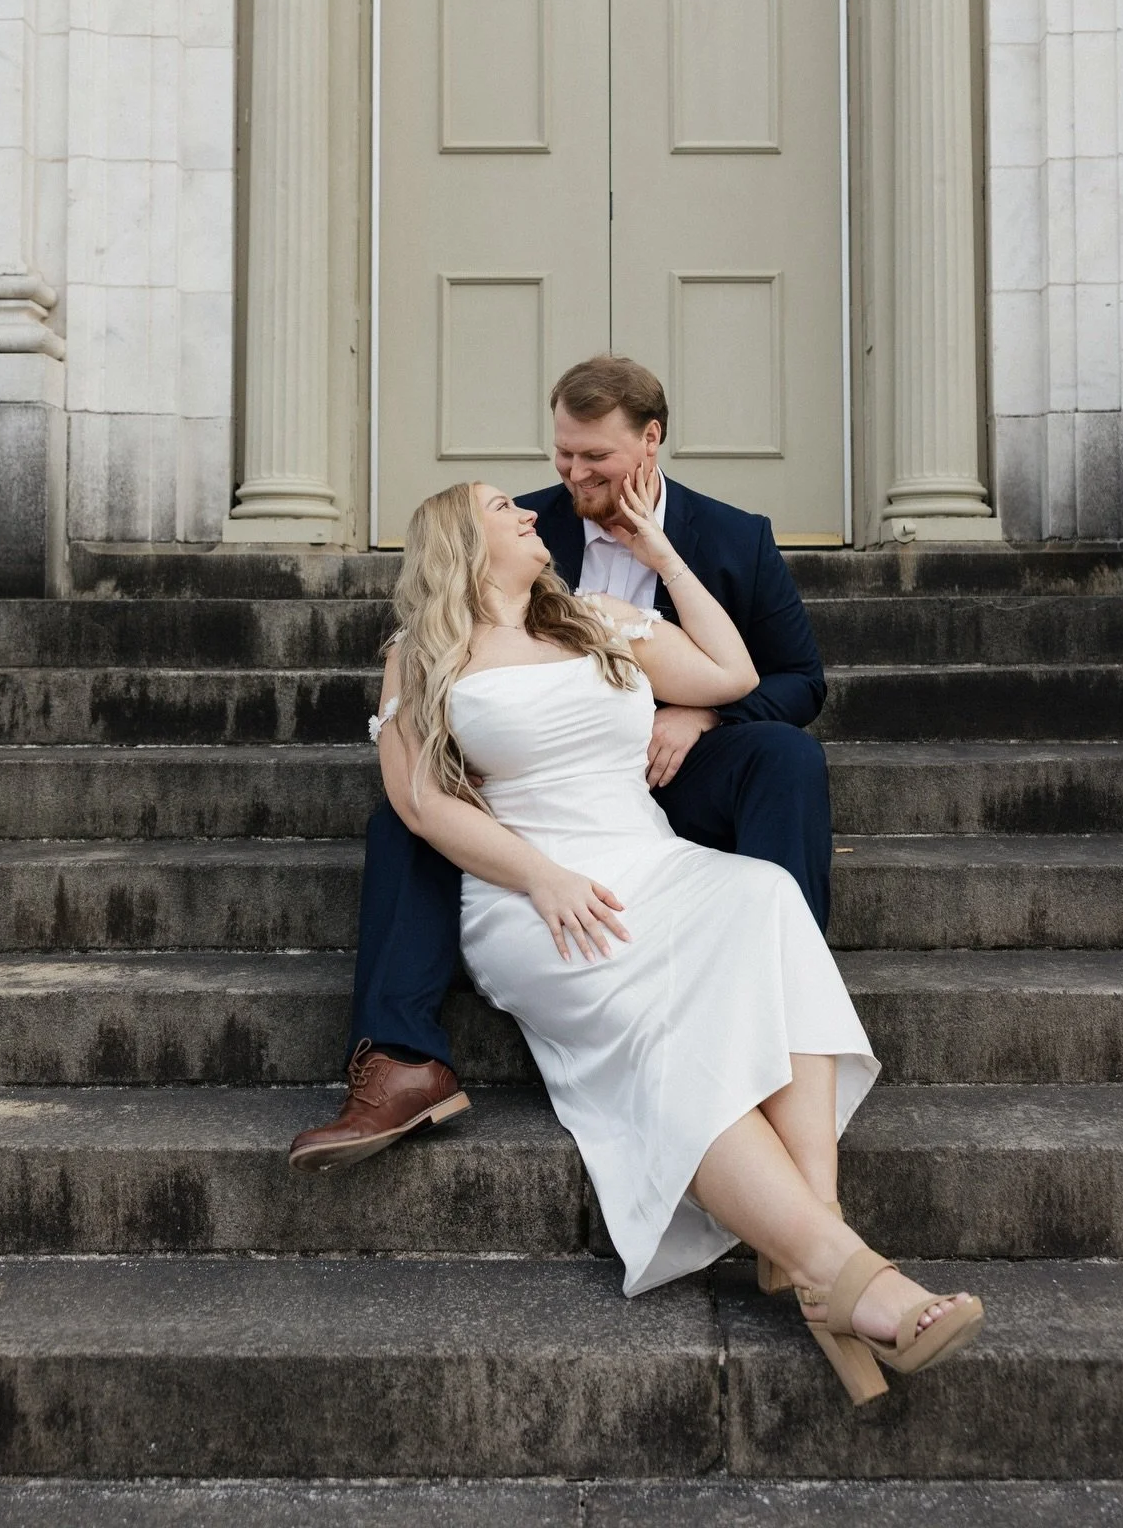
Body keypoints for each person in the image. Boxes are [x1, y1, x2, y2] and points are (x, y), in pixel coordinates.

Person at [339, 470, 984, 1404]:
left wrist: (664, 557)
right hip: (536, 894)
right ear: (460, 543)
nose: (528, 512)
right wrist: (541, 875)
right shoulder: (421, 652)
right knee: (663, 1031)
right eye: (500, 509)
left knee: (768, 898)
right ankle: (847, 1276)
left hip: (651, 862)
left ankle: (813, 1240)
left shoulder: (592, 619)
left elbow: (733, 676)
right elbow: (421, 804)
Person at [290, 356, 835, 1188]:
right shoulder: (524, 529)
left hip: (669, 760)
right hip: (534, 786)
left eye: (596, 458)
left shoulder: (734, 535)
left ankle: (786, 984)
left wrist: (699, 715)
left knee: (789, 756)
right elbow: (446, 641)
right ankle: (400, 1059)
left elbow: (797, 680)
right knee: (408, 818)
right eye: (563, 454)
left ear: (651, 441)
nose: (573, 474)